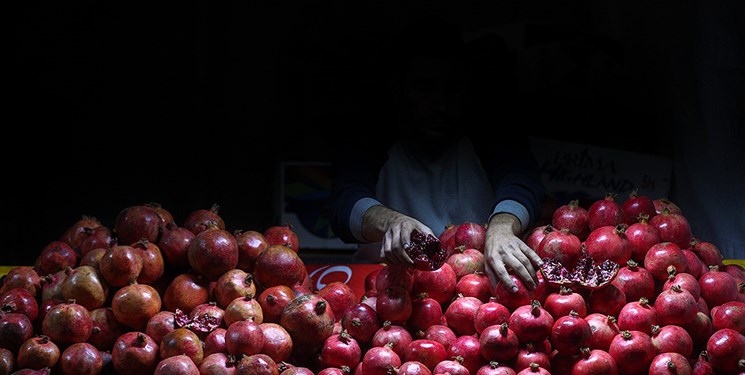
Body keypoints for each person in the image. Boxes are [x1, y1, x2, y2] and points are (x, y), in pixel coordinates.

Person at [328, 16, 548, 293]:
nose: (440, 104)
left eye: (452, 89)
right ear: (398, 88)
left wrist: (503, 227)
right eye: (425, 88)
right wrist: (392, 222)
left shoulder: (489, 137)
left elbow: (523, 180)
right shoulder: (369, 141)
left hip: (480, 291)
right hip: (388, 295)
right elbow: (343, 202)